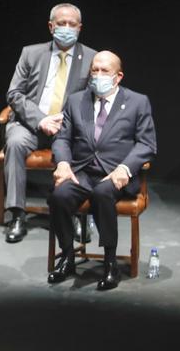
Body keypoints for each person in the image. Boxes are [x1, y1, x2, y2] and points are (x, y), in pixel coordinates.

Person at [48, 51, 156, 291]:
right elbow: (62, 138)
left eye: (104, 71)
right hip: (82, 171)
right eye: (94, 70)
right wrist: (63, 163)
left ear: (118, 76)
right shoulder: (77, 100)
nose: (97, 75)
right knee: (59, 197)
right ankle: (67, 256)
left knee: (102, 194)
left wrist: (125, 169)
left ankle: (110, 263)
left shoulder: (138, 102)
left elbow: (147, 144)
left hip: (115, 172)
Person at [1, 3, 96, 244]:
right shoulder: (30, 53)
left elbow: (94, 99)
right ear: (50, 26)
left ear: (80, 28)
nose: (66, 28)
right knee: (14, 143)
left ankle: (77, 212)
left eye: (71, 24)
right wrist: (41, 119)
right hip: (30, 122)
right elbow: (14, 94)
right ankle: (17, 214)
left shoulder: (92, 58)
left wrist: (67, 120)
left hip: (67, 126)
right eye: (61, 23)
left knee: (83, 146)